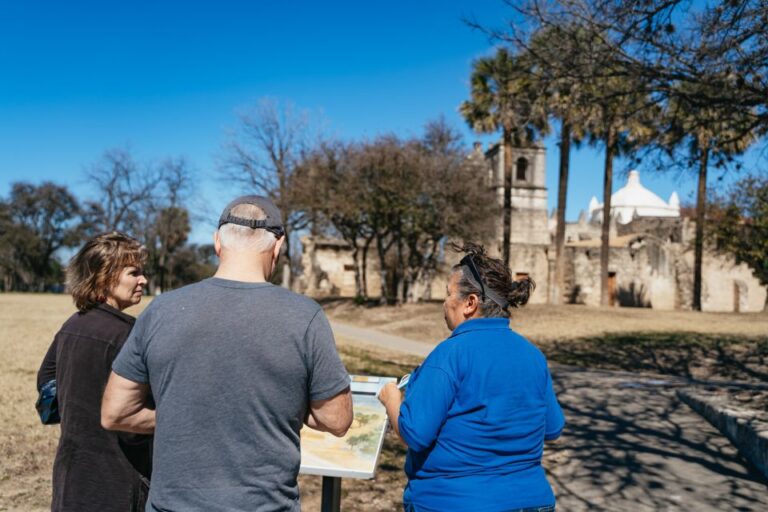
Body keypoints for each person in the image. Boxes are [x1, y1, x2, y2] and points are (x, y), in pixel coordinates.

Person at [101, 195, 353, 511]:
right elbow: (338, 419)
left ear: (217, 242)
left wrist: (186, 414)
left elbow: (116, 412)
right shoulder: (305, 316)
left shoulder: (161, 310)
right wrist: (285, 405)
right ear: (278, 246)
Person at [378, 242, 565, 512]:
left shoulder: (449, 355)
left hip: (454, 501)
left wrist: (391, 399)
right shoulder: (533, 356)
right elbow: (553, 428)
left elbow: (415, 433)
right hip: (532, 501)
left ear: (470, 303)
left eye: (448, 294)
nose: (444, 303)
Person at [36, 231, 153, 512]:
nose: (143, 280)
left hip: (71, 478)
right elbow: (133, 422)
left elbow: (46, 386)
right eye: (133, 273)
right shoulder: (129, 336)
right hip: (118, 483)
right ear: (104, 277)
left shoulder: (72, 324)